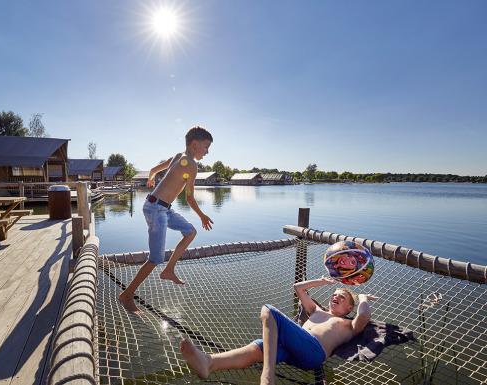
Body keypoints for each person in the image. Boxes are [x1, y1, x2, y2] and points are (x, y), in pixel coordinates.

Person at [180, 276, 378, 385]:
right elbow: (298, 288)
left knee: (269, 311)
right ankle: (209, 363)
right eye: (334, 294)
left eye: (342, 297)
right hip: (295, 351)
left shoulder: (348, 325)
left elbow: (364, 317)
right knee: (260, 347)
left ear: (349, 308)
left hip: (314, 352)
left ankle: (268, 377)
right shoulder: (317, 310)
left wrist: (362, 297)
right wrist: (321, 281)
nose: (336, 296)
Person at [119, 126, 214, 314]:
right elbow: (189, 198)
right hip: (157, 210)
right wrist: (202, 215)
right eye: (206, 147)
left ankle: (169, 270)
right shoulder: (192, 165)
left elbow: (154, 169)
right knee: (155, 258)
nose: (207, 152)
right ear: (195, 144)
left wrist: (151, 178)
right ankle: (127, 295)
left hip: (160, 207)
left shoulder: (178, 156)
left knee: (190, 231)